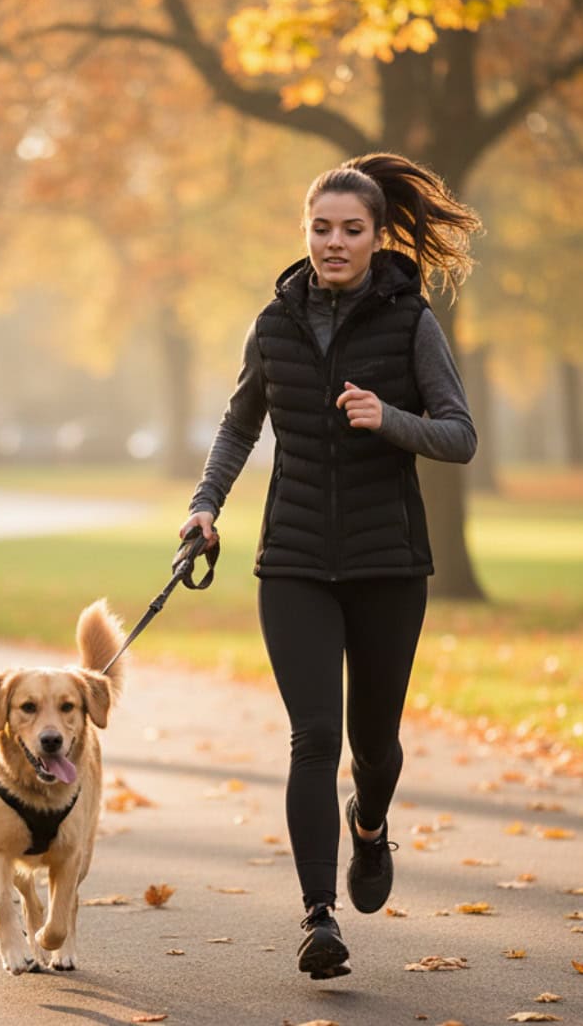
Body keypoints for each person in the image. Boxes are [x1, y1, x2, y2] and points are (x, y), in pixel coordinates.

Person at [180, 153, 479, 980]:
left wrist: (389, 418)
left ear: (377, 237)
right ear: (305, 232)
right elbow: (240, 424)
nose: (334, 242)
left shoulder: (411, 323)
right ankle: (319, 917)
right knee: (313, 736)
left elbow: (460, 435)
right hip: (296, 561)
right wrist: (205, 507)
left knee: (373, 745)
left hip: (389, 566)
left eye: (351, 229)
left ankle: (370, 825)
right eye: (321, 228)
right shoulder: (274, 324)